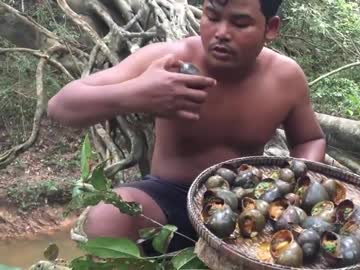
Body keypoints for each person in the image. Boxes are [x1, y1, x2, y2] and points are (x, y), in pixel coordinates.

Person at [47, 0, 326, 253]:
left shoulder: (285, 77)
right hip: (168, 197)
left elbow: (310, 139)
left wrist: (296, 189)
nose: (221, 32)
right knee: (108, 214)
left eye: (240, 23)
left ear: (271, 28)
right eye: (212, 16)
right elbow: (61, 106)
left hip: (248, 204)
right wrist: (136, 93)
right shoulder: (169, 60)